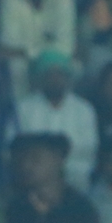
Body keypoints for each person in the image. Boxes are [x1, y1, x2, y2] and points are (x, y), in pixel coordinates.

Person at [10, 50, 100, 193]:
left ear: (68, 78)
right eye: (50, 75)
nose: (55, 79)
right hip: (32, 182)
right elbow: (15, 145)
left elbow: (89, 148)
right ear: (40, 78)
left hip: (75, 182)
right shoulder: (24, 108)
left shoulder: (84, 109)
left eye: (59, 74)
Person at [0, 0, 77, 101]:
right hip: (23, 63)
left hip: (55, 59)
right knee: (15, 67)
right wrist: (43, 47)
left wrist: (29, 53)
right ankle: (23, 112)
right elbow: (9, 44)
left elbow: (65, 46)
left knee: (71, 67)